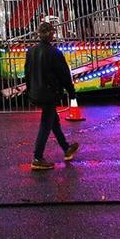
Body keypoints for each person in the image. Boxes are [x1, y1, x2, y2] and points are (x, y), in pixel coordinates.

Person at [24, 22, 79, 171]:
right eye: (53, 33)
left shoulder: (31, 51)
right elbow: (64, 76)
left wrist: (30, 91)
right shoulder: (54, 52)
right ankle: (37, 157)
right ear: (50, 34)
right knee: (46, 124)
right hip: (50, 93)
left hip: (36, 92)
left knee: (53, 121)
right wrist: (71, 91)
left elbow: (27, 74)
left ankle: (66, 148)